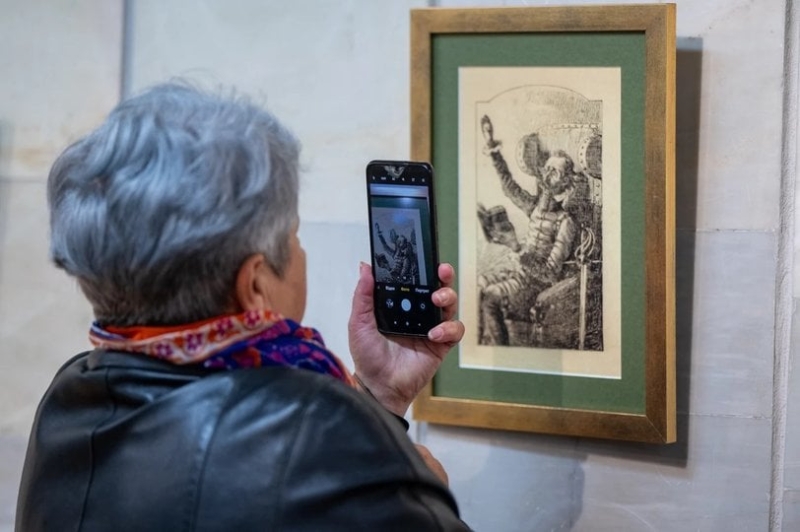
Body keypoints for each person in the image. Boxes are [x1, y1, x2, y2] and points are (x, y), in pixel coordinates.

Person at [15, 82, 469, 531]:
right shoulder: (314, 431)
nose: (301, 252)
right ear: (253, 283)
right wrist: (420, 493)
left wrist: (380, 398)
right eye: (294, 235)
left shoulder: (69, 398)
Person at [477, 115, 583, 346]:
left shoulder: (566, 222)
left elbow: (550, 274)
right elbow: (509, 186)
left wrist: (518, 250)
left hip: (535, 285)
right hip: (518, 272)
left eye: (555, 171)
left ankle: (500, 356)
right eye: (547, 168)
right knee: (477, 285)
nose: (547, 173)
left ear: (566, 181)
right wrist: (493, 148)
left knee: (490, 299)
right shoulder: (535, 207)